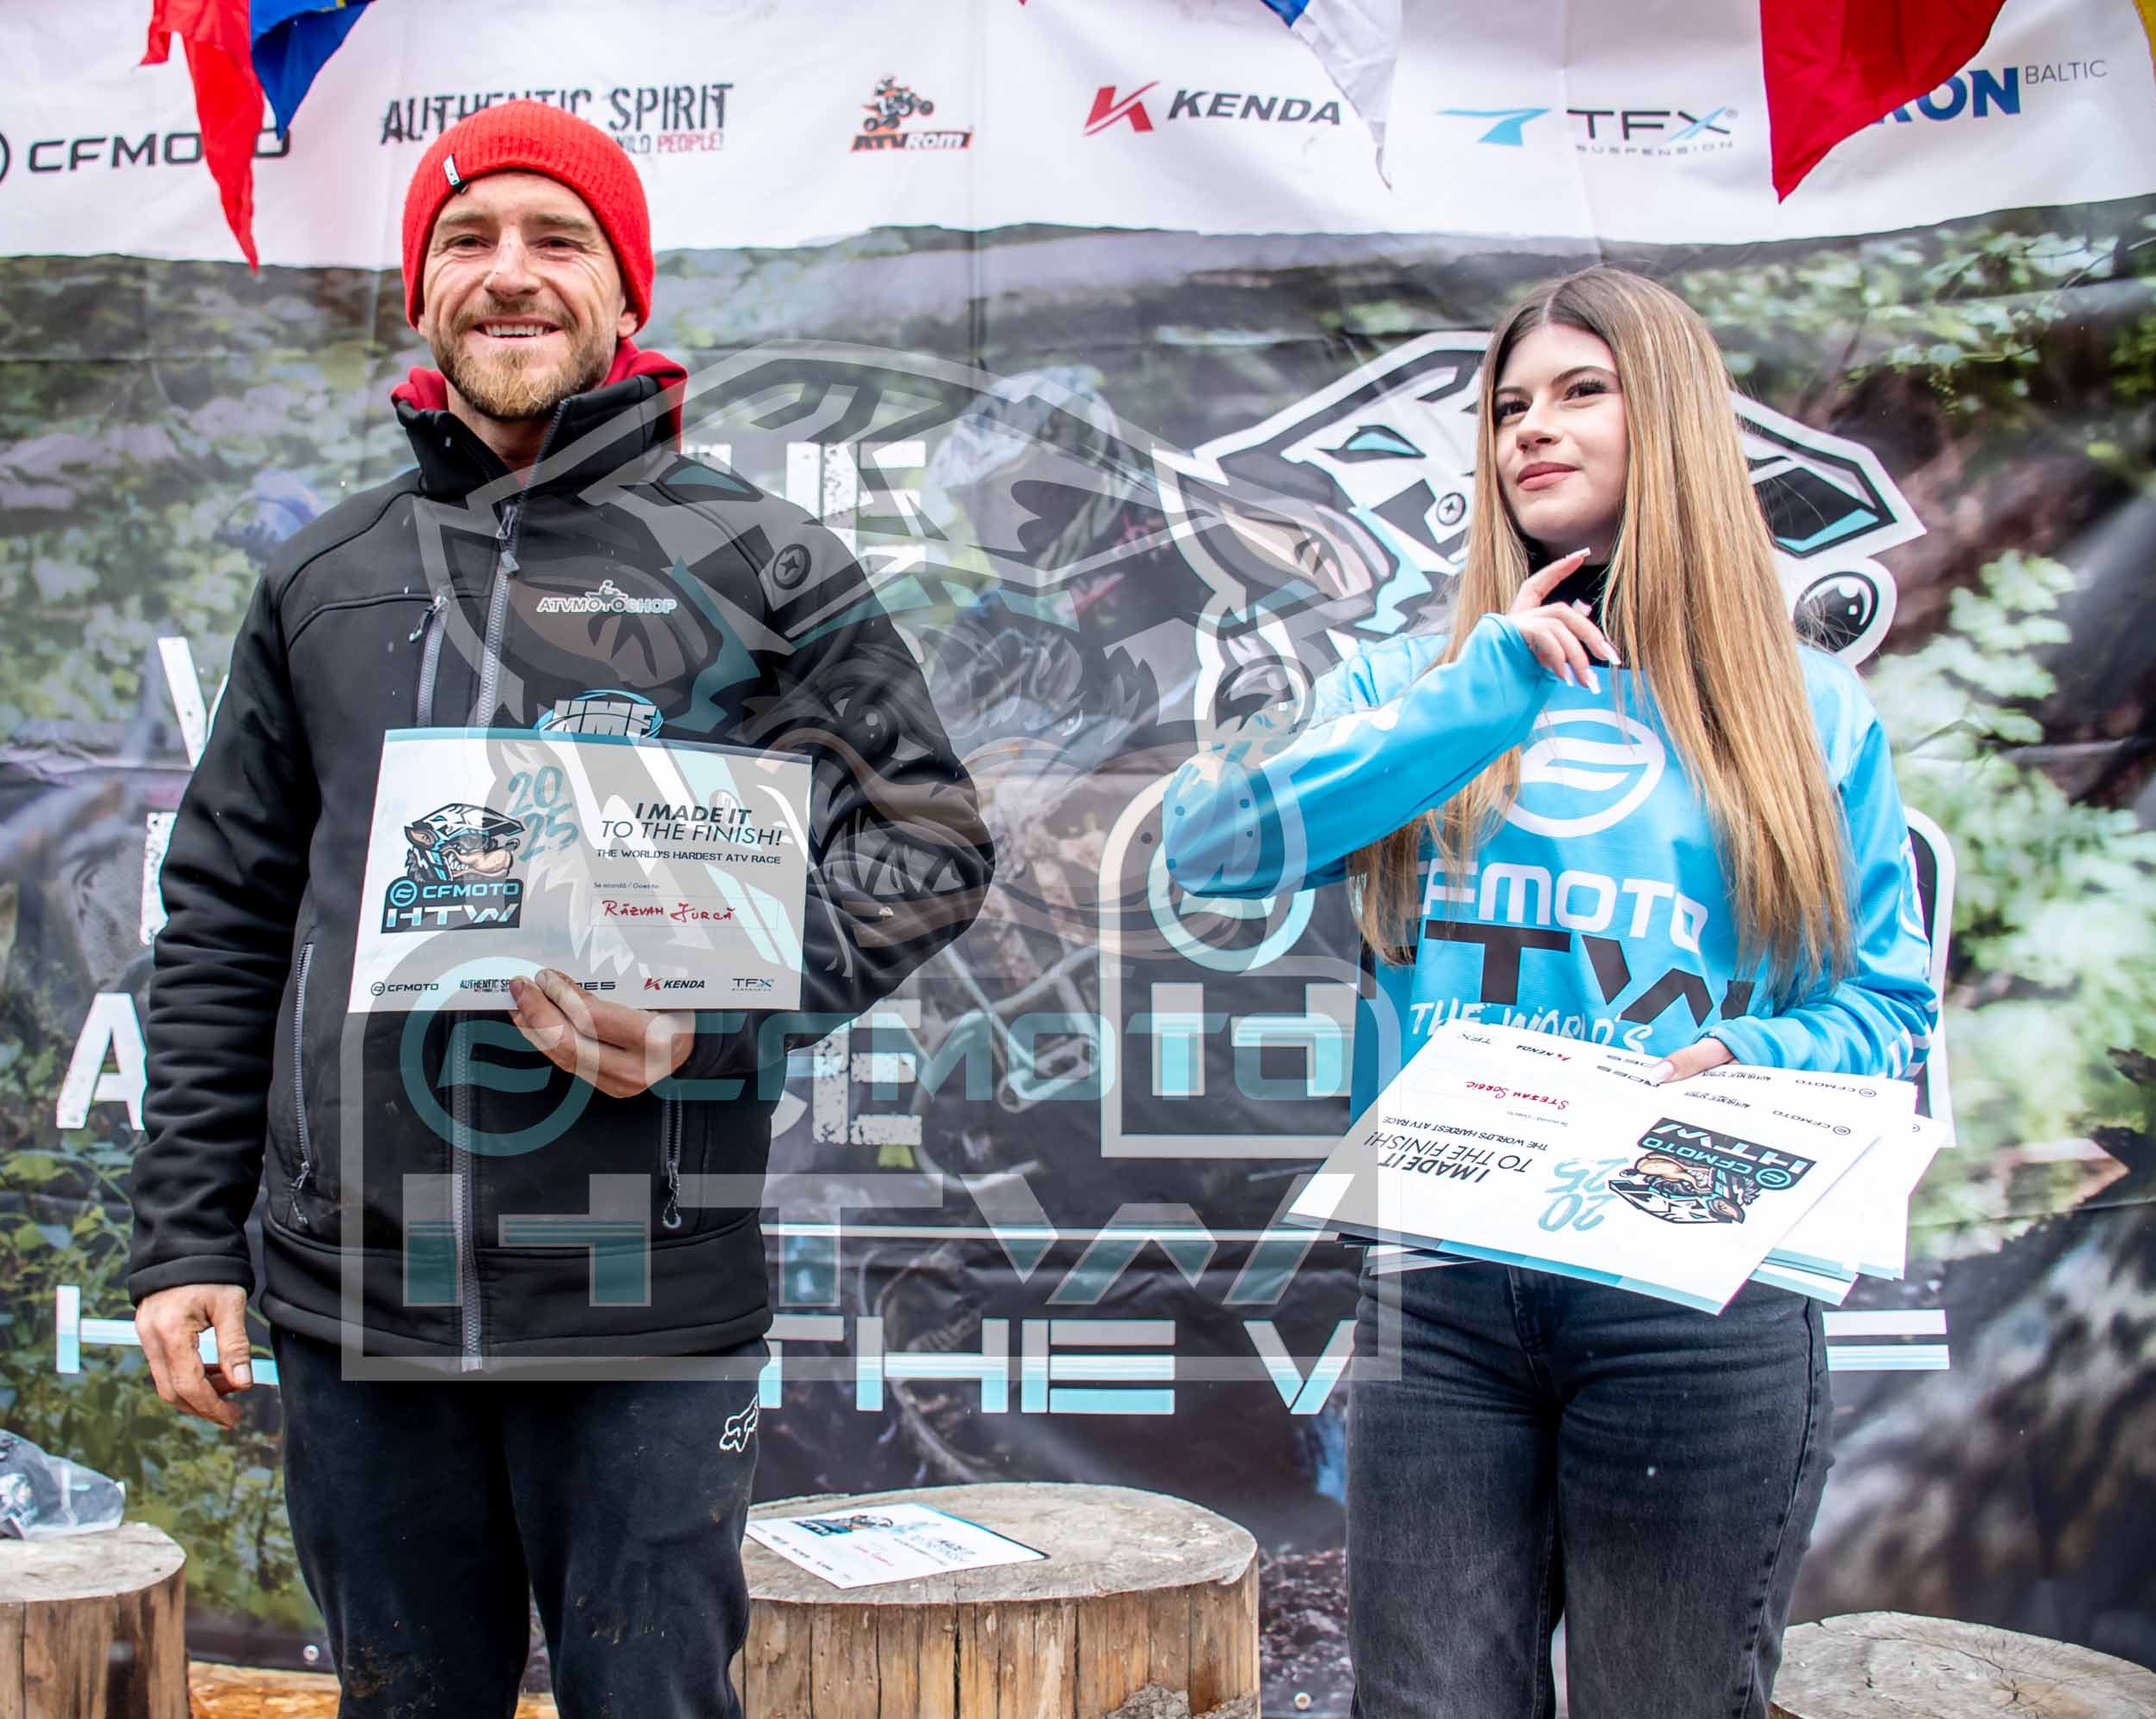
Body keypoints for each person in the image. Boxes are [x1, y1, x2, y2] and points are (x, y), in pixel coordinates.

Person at [125, 100, 992, 1718]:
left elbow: (928, 840)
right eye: (467, 239)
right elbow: (227, 916)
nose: (509, 273)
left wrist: (716, 1010)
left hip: (642, 1296)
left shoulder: (759, 561)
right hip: (354, 1295)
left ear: (624, 289)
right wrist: (184, 1238)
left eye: (557, 239)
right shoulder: (323, 578)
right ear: (419, 291)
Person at [1159, 266, 1935, 1718]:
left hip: (1696, 1281)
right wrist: (1483, 693)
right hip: (1444, 1291)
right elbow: (1212, 850)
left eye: (1583, 391)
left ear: (1675, 422)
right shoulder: (1414, 681)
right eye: (1510, 405)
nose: (1532, 428)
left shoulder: (1810, 712)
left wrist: (1745, 1053)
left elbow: (1885, 1015)